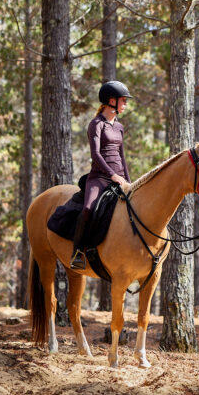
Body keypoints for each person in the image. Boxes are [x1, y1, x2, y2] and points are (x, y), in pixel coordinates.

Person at [70, 81, 133, 270]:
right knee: (88, 209)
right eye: (123, 100)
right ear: (111, 101)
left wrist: (129, 181)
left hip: (120, 177)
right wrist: (112, 175)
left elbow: (122, 156)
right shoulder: (96, 124)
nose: (126, 104)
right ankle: (78, 252)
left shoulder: (119, 127)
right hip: (99, 177)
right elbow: (96, 155)